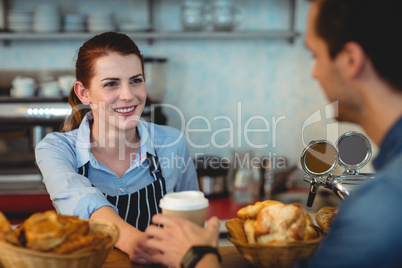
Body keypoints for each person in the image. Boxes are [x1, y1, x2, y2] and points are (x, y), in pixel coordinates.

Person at [144, 0, 402, 267]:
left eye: (316, 56)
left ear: (350, 61)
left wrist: (196, 256)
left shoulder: (380, 208)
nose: (315, 73)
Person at [34, 32, 199, 264]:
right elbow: (85, 202)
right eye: (111, 84)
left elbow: (189, 221)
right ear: (84, 93)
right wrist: (134, 243)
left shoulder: (172, 144)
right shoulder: (56, 150)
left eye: (136, 80)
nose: (128, 95)